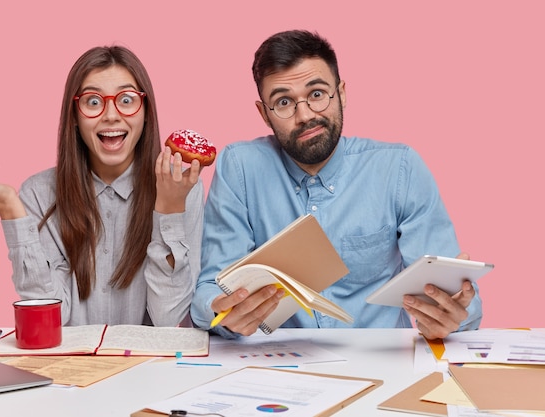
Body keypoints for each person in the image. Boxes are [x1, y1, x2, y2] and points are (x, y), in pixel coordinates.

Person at [190, 30, 482, 340]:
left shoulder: (400, 168)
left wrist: (453, 314)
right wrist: (222, 310)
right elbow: (210, 289)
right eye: (284, 101)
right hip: (279, 366)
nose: (305, 116)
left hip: (385, 366)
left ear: (341, 94)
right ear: (265, 114)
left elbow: (455, 298)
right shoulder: (239, 168)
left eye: (317, 94)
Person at [0, 46, 205, 327]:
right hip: (72, 367)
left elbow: (169, 320)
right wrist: (8, 207)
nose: (111, 115)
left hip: (149, 367)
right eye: (93, 102)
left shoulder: (182, 187)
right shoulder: (39, 193)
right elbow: (50, 319)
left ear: (146, 112)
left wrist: (168, 209)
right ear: (75, 118)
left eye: (126, 100)